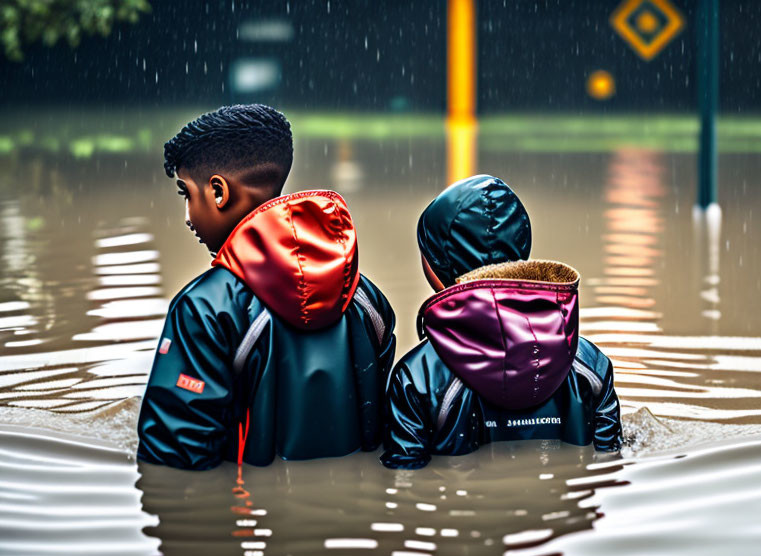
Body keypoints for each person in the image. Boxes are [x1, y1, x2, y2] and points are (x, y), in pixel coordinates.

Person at [137, 104, 395, 469]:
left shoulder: (203, 309)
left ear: (218, 192)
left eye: (186, 194)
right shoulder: (366, 298)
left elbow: (174, 464)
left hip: (252, 522)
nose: (187, 217)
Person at [381, 174, 621, 469]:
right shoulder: (590, 366)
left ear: (436, 268)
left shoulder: (417, 378)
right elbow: (610, 465)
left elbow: (404, 482)